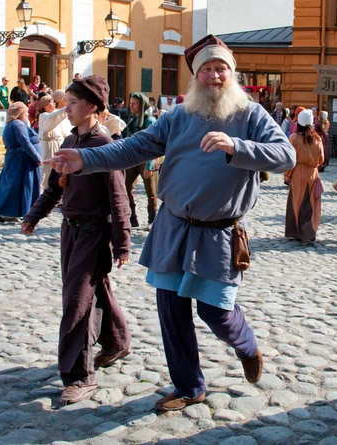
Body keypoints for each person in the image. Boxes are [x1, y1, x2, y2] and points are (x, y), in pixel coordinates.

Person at [44, 34, 295, 412]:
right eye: (206, 69)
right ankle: (189, 386)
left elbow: (286, 156)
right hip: (173, 226)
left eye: (221, 68)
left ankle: (246, 345)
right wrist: (85, 160)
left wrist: (237, 147)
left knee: (216, 311)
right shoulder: (177, 117)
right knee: (171, 308)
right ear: (196, 77)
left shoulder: (251, 115)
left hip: (219, 233)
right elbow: (132, 147)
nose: (214, 75)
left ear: (232, 73)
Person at [22, 75, 132, 406]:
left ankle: (79, 376)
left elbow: (119, 198)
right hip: (69, 232)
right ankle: (116, 342)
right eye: (66, 101)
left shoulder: (104, 147)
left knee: (77, 302)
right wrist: (34, 214)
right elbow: (56, 186)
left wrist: (122, 241)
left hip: (94, 233)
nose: (66, 108)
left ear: (94, 107)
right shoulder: (70, 142)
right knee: (94, 291)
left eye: (72, 103)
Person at [0, 102, 42, 222]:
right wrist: (37, 158)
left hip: (17, 157)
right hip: (20, 159)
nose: (27, 114)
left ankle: (13, 209)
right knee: (17, 184)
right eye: (25, 112)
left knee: (12, 183)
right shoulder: (18, 124)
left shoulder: (12, 124)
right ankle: (2, 208)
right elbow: (25, 142)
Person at [284, 109, 323, 244]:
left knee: (297, 201)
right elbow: (321, 159)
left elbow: (289, 159)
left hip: (298, 172)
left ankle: (296, 231)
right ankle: (309, 231)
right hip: (312, 173)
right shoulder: (318, 138)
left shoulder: (294, 138)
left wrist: (287, 176)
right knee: (311, 202)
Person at [124, 92, 158, 227]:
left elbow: (153, 144)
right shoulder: (132, 119)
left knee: (151, 191)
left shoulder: (150, 121)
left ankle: (153, 221)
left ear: (141, 105)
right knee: (125, 187)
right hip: (132, 159)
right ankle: (132, 218)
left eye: (134, 103)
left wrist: (149, 166)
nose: (131, 106)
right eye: (130, 103)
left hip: (146, 159)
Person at [38, 95, 71, 189]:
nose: (53, 104)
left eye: (53, 102)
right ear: (44, 105)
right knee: (47, 169)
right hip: (49, 145)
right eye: (50, 102)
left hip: (58, 144)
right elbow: (53, 119)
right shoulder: (44, 116)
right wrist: (65, 109)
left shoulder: (54, 114)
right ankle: (44, 188)